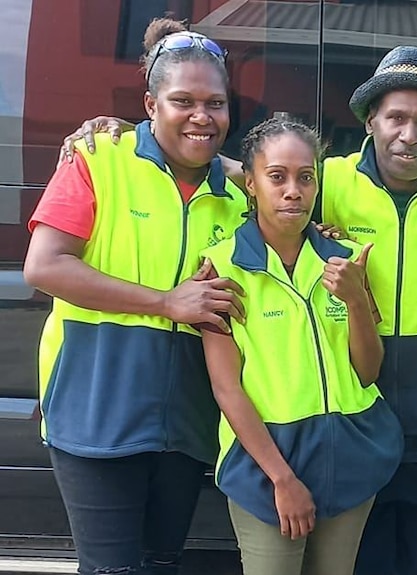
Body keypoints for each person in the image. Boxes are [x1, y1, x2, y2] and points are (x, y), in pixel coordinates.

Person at [59, 45, 417, 575]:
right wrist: (124, 130)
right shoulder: (329, 180)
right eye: (395, 117)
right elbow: (245, 164)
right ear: (370, 122)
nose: (408, 134)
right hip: (347, 441)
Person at [23, 18, 247, 575]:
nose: (202, 115)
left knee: (160, 564)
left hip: (189, 420)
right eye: (183, 100)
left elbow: (300, 192)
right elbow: (44, 266)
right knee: (112, 569)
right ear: (150, 104)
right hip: (97, 410)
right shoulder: (99, 158)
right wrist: (167, 302)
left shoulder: (239, 189)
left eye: (215, 103)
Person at [199, 117, 403, 575]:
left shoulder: (346, 259)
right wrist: (282, 478)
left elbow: (367, 372)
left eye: (305, 177)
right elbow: (226, 388)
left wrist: (354, 300)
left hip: (349, 458)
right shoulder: (222, 268)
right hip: (265, 469)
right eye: (277, 176)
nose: (293, 190)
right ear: (250, 184)